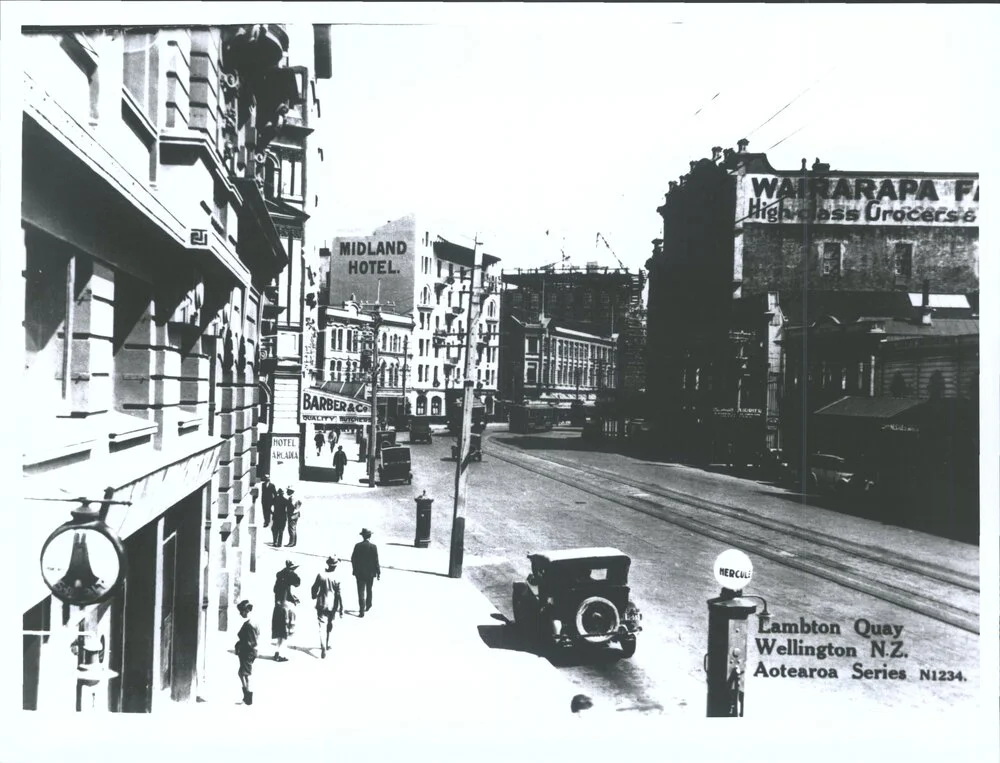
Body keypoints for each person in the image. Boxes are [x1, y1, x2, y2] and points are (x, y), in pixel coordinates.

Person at [310, 557, 344, 658]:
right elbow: (339, 594)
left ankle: (323, 646)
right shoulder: (337, 577)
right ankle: (328, 643)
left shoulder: (321, 575)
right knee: (330, 624)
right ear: (335, 565)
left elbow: (314, 587)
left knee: (321, 625)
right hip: (332, 604)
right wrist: (341, 607)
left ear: (328, 564)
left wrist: (314, 595)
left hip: (321, 602)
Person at [271, 560, 300, 662]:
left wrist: (292, 597)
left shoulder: (280, 576)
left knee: (280, 632)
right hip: (285, 606)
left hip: (278, 605)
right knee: (284, 633)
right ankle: (279, 654)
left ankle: (277, 653)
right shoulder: (289, 575)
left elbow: (279, 590)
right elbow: (297, 582)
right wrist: (292, 599)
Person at [350, 528, 380, 617]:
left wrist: (355, 569)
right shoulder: (373, 547)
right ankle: (368, 605)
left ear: (362, 536)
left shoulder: (357, 546)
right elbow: (376, 561)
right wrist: (378, 572)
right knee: (369, 589)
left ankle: (361, 610)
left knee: (361, 591)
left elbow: (353, 559)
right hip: (370, 573)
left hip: (359, 573)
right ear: (370, 537)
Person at [235, 599, 259, 705]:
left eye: (242, 612)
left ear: (246, 611)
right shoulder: (254, 622)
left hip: (247, 652)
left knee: (242, 673)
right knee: (244, 674)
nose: (241, 614)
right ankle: (247, 696)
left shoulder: (248, 625)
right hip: (249, 652)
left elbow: (250, 642)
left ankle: (248, 696)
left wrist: (239, 646)